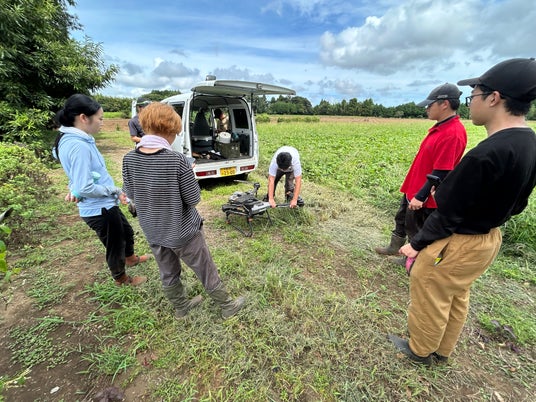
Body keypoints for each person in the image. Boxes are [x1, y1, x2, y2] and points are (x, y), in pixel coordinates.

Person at [389, 58, 536, 366]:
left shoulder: (487, 153)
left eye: (474, 95)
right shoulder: (529, 143)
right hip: (488, 238)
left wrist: (416, 244)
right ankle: (442, 350)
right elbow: (519, 205)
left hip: (460, 240)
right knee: (455, 292)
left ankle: (420, 350)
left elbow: (448, 212)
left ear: (494, 98)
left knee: (428, 284)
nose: (471, 103)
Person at [122, 102, 245, 320]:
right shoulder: (177, 160)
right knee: (205, 269)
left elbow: (130, 193)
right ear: (170, 130)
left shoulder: (129, 159)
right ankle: (227, 306)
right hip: (182, 231)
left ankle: (181, 308)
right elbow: (193, 199)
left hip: (153, 231)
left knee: (168, 271)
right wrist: (189, 173)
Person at [53, 94, 149, 286]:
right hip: (99, 208)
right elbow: (85, 187)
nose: (102, 123)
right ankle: (121, 278)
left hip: (104, 203)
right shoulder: (78, 145)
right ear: (83, 118)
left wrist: (74, 186)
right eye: (100, 118)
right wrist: (113, 189)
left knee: (126, 231)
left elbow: (74, 172)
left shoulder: (70, 138)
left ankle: (130, 258)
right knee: (115, 244)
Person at [375, 83, 467, 265]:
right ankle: (394, 247)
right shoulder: (440, 127)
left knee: (415, 227)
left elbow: (442, 170)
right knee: (402, 219)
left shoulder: (453, 133)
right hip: (414, 185)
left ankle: (411, 260)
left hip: (424, 194)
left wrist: (421, 196)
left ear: (445, 104)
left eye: (429, 105)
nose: (427, 109)